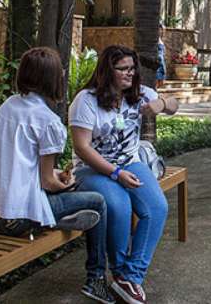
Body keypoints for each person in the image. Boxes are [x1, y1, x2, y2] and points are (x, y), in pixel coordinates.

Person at [0, 47, 116, 304]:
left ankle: (55, 217)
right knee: (97, 201)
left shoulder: (7, 107)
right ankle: (96, 279)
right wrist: (65, 183)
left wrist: (55, 176)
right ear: (53, 79)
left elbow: (18, 164)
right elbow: (46, 181)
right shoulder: (48, 121)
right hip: (16, 221)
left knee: (68, 190)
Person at [69, 45, 179, 304]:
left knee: (157, 207)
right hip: (92, 169)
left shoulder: (140, 95)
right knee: (119, 204)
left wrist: (160, 104)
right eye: (123, 69)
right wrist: (115, 173)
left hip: (130, 162)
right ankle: (120, 272)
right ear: (109, 71)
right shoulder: (86, 100)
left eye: (132, 68)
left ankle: (129, 276)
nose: (130, 74)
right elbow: (81, 147)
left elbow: (174, 105)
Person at [156, 24, 167, 89]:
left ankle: (155, 91)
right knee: (157, 79)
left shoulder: (161, 39)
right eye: (159, 29)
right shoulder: (155, 39)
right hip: (158, 61)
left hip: (162, 61)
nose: (160, 31)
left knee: (162, 80)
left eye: (162, 29)